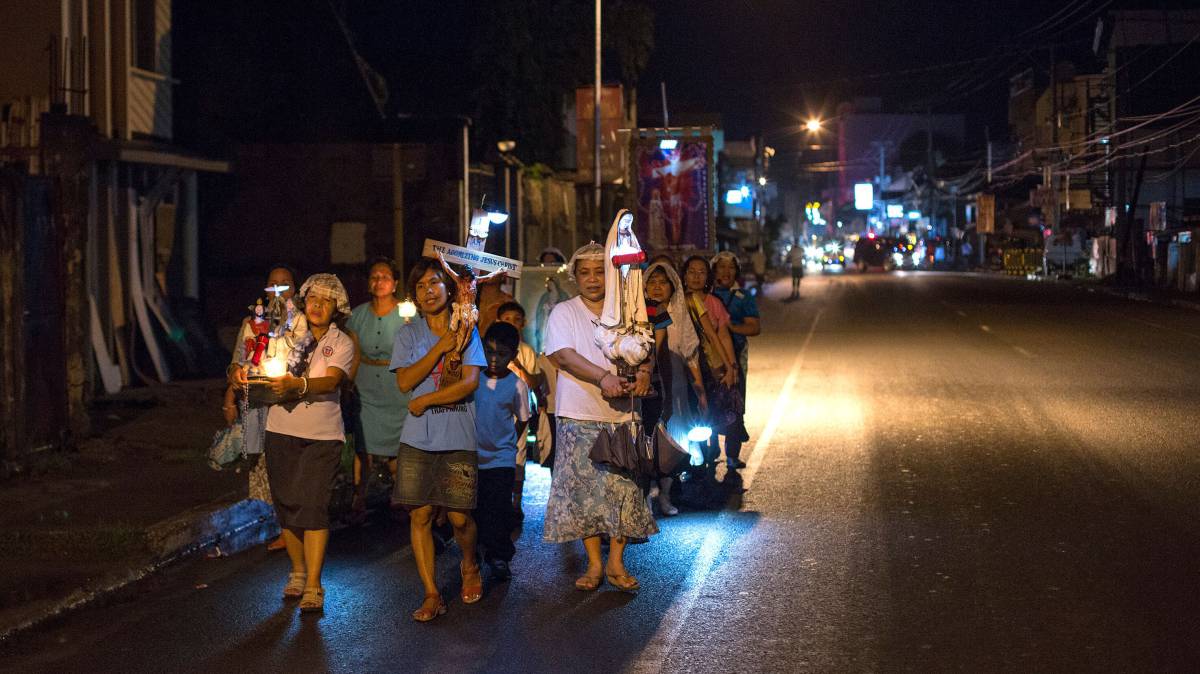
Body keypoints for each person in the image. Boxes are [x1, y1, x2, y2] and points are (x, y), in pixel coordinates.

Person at [231, 273, 355, 613]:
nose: (317, 306)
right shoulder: (283, 338)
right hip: (280, 429)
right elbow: (251, 360)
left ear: (336, 308)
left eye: (326, 301)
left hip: (322, 436)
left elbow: (331, 381)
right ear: (303, 302)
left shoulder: (341, 342)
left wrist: (296, 387)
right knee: (287, 506)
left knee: (313, 507)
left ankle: (314, 583)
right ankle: (297, 571)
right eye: (312, 299)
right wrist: (239, 372)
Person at [543, 243, 658, 593]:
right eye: (585, 272)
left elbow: (645, 351)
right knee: (584, 492)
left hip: (623, 415)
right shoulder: (563, 312)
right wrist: (602, 377)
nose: (593, 279)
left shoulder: (629, 313)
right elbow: (563, 355)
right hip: (578, 413)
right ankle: (594, 564)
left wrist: (645, 373)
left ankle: (616, 563)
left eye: (599, 271)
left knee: (622, 489)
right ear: (575, 277)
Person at [390, 257, 486, 622]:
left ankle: (468, 563)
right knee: (421, 514)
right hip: (416, 438)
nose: (428, 291)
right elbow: (403, 381)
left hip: (457, 433)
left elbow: (469, 383)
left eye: (434, 283)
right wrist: (440, 348)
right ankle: (431, 592)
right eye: (420, 286)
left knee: (460, 518)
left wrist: (426, 399)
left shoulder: (468, 330)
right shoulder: (409, 334)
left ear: (449, 289)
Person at [225, 263, 299, 553]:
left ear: (295, 288)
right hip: (257, 401)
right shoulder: (252, 323)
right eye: (273, 284)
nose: (279, 290)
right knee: (263, 465)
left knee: (289, 463)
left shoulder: (301, 321)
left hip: (291, 403)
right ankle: (282, 525)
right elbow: (236, 363)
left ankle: (294, 527)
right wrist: (230, 394)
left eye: (286, 284)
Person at [345, 258, 411, 515]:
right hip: (366, 384)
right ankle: (358, 495)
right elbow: (352, 351)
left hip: (396, 384)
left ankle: (398, 493)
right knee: (363, 444)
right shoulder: (357, 315)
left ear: (394, 284)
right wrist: (348, 382)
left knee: (398, 441)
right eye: (374, 276)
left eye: (385, 277)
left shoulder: (407, 313)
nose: (379, 281)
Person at [643, 261, 706, 515]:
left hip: (676, 388)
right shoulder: (639, 313)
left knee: (673, 442)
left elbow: (690, 355)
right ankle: (646, 498)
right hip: (648, 387)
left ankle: (666, 496)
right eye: (652, 282)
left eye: (663, 282)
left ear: (672, 286)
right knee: (647, 443)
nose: (657, 287)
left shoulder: (680, 314)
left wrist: (700, 389)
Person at [473, 322, 532, 582]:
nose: (494, 359)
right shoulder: (473, 378)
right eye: (489, 352)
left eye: (502, 354)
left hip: (501, 458)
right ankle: (475, 552)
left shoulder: (517, 386)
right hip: (472, 455)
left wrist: (506, 444)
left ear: (514, 355)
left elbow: (522, 419)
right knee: (476, 507)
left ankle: (499, 556)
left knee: (499, 509)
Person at [681, 256, 739, 469]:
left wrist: (731, 366)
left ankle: (714, 452)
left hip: (709, 366)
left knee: (711, 411)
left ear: (708, 276)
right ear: (683, 275)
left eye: (701, 272)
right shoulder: (677, 300)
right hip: (684, 366)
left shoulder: (712, 303)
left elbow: (719, 337)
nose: (696, 277)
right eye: (691, 271)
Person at [710, 252, 761, 469]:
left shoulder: (743, 297)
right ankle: (709, 453)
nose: (726, 272)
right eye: (721, 267)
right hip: (709, 358)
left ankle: (732, 455)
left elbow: (754, 327)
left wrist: (730, 328)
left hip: (736, 358)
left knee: (735, 404)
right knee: (708, 404)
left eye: (731, 268)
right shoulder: (704, 295)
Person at [495, 301, 543, 517]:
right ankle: (497, 499)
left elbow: (533, 382)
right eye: (507, 320)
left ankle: (516, 502)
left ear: (523, 323)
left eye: (516, 320)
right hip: (494, 411)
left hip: (519, 412)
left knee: (517, 454)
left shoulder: (525, 351)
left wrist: (517, 364)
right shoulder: (490, 348)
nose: (512, 324)